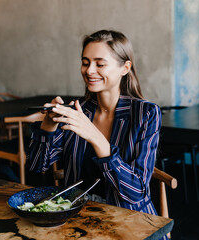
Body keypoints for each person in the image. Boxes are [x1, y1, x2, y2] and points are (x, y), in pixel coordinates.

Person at [26, 29, 162, 216]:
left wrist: (95, 137)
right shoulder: (77, 110)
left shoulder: (145, 114)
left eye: (100, 64)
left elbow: (136, 193)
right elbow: (35, 166)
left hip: (127, 218)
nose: (89, 71)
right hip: (79, 215)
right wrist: (49, 125)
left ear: (125, 67)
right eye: (85, 63)